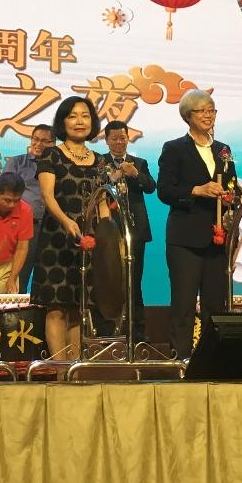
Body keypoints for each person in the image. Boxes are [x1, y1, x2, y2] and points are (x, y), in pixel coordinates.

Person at [157, 89, 238, 360]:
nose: (208, 115)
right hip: (185, 238)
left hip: (217, 236)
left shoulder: (223, 149)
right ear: (187, 116)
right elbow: (165, 190)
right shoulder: (174, 148)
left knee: (216, 304)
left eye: (212, 110)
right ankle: (180, 359)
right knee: (184, 302)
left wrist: (232, 196)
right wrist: (197, 190)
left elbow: (229, 186)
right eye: (202, 111)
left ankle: (211, 359)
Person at [31, 96, 104, 360]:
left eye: (85, 115)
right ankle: (60, 369)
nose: (79, 121)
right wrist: (67, 222)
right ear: (63, 122)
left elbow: (103, 202)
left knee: (77, 306)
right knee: (57, 306)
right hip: (57, 239)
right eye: (73, 116)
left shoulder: (100, 160)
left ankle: (75, 370)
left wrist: (104, 232)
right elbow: (47, 197)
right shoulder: (52, 155)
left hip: (88, 240)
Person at [102, 119, 156, 344]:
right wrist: (110, 178)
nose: (118, 142)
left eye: (122, 138)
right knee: (109, 279)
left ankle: (137, 333)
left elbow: (152, 187)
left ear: (128, 138)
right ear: (106, 140)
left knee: (135, 281)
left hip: (135, 230)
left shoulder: (139, 162)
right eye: (114, 139)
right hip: (108, 230)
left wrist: (135, 174)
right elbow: (95, 188)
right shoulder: (99, 162)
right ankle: (107, 330)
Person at [0, 125, 55, 293]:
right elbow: (4, 193)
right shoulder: (17, 162)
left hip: (51, 229)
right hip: (23, 228)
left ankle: (42, 317)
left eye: (45, 141)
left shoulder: (58, 167)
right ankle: (17, 316)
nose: (38, 144)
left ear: (54, 144)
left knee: (48, 277)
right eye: (35, 139)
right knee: (19, 277)